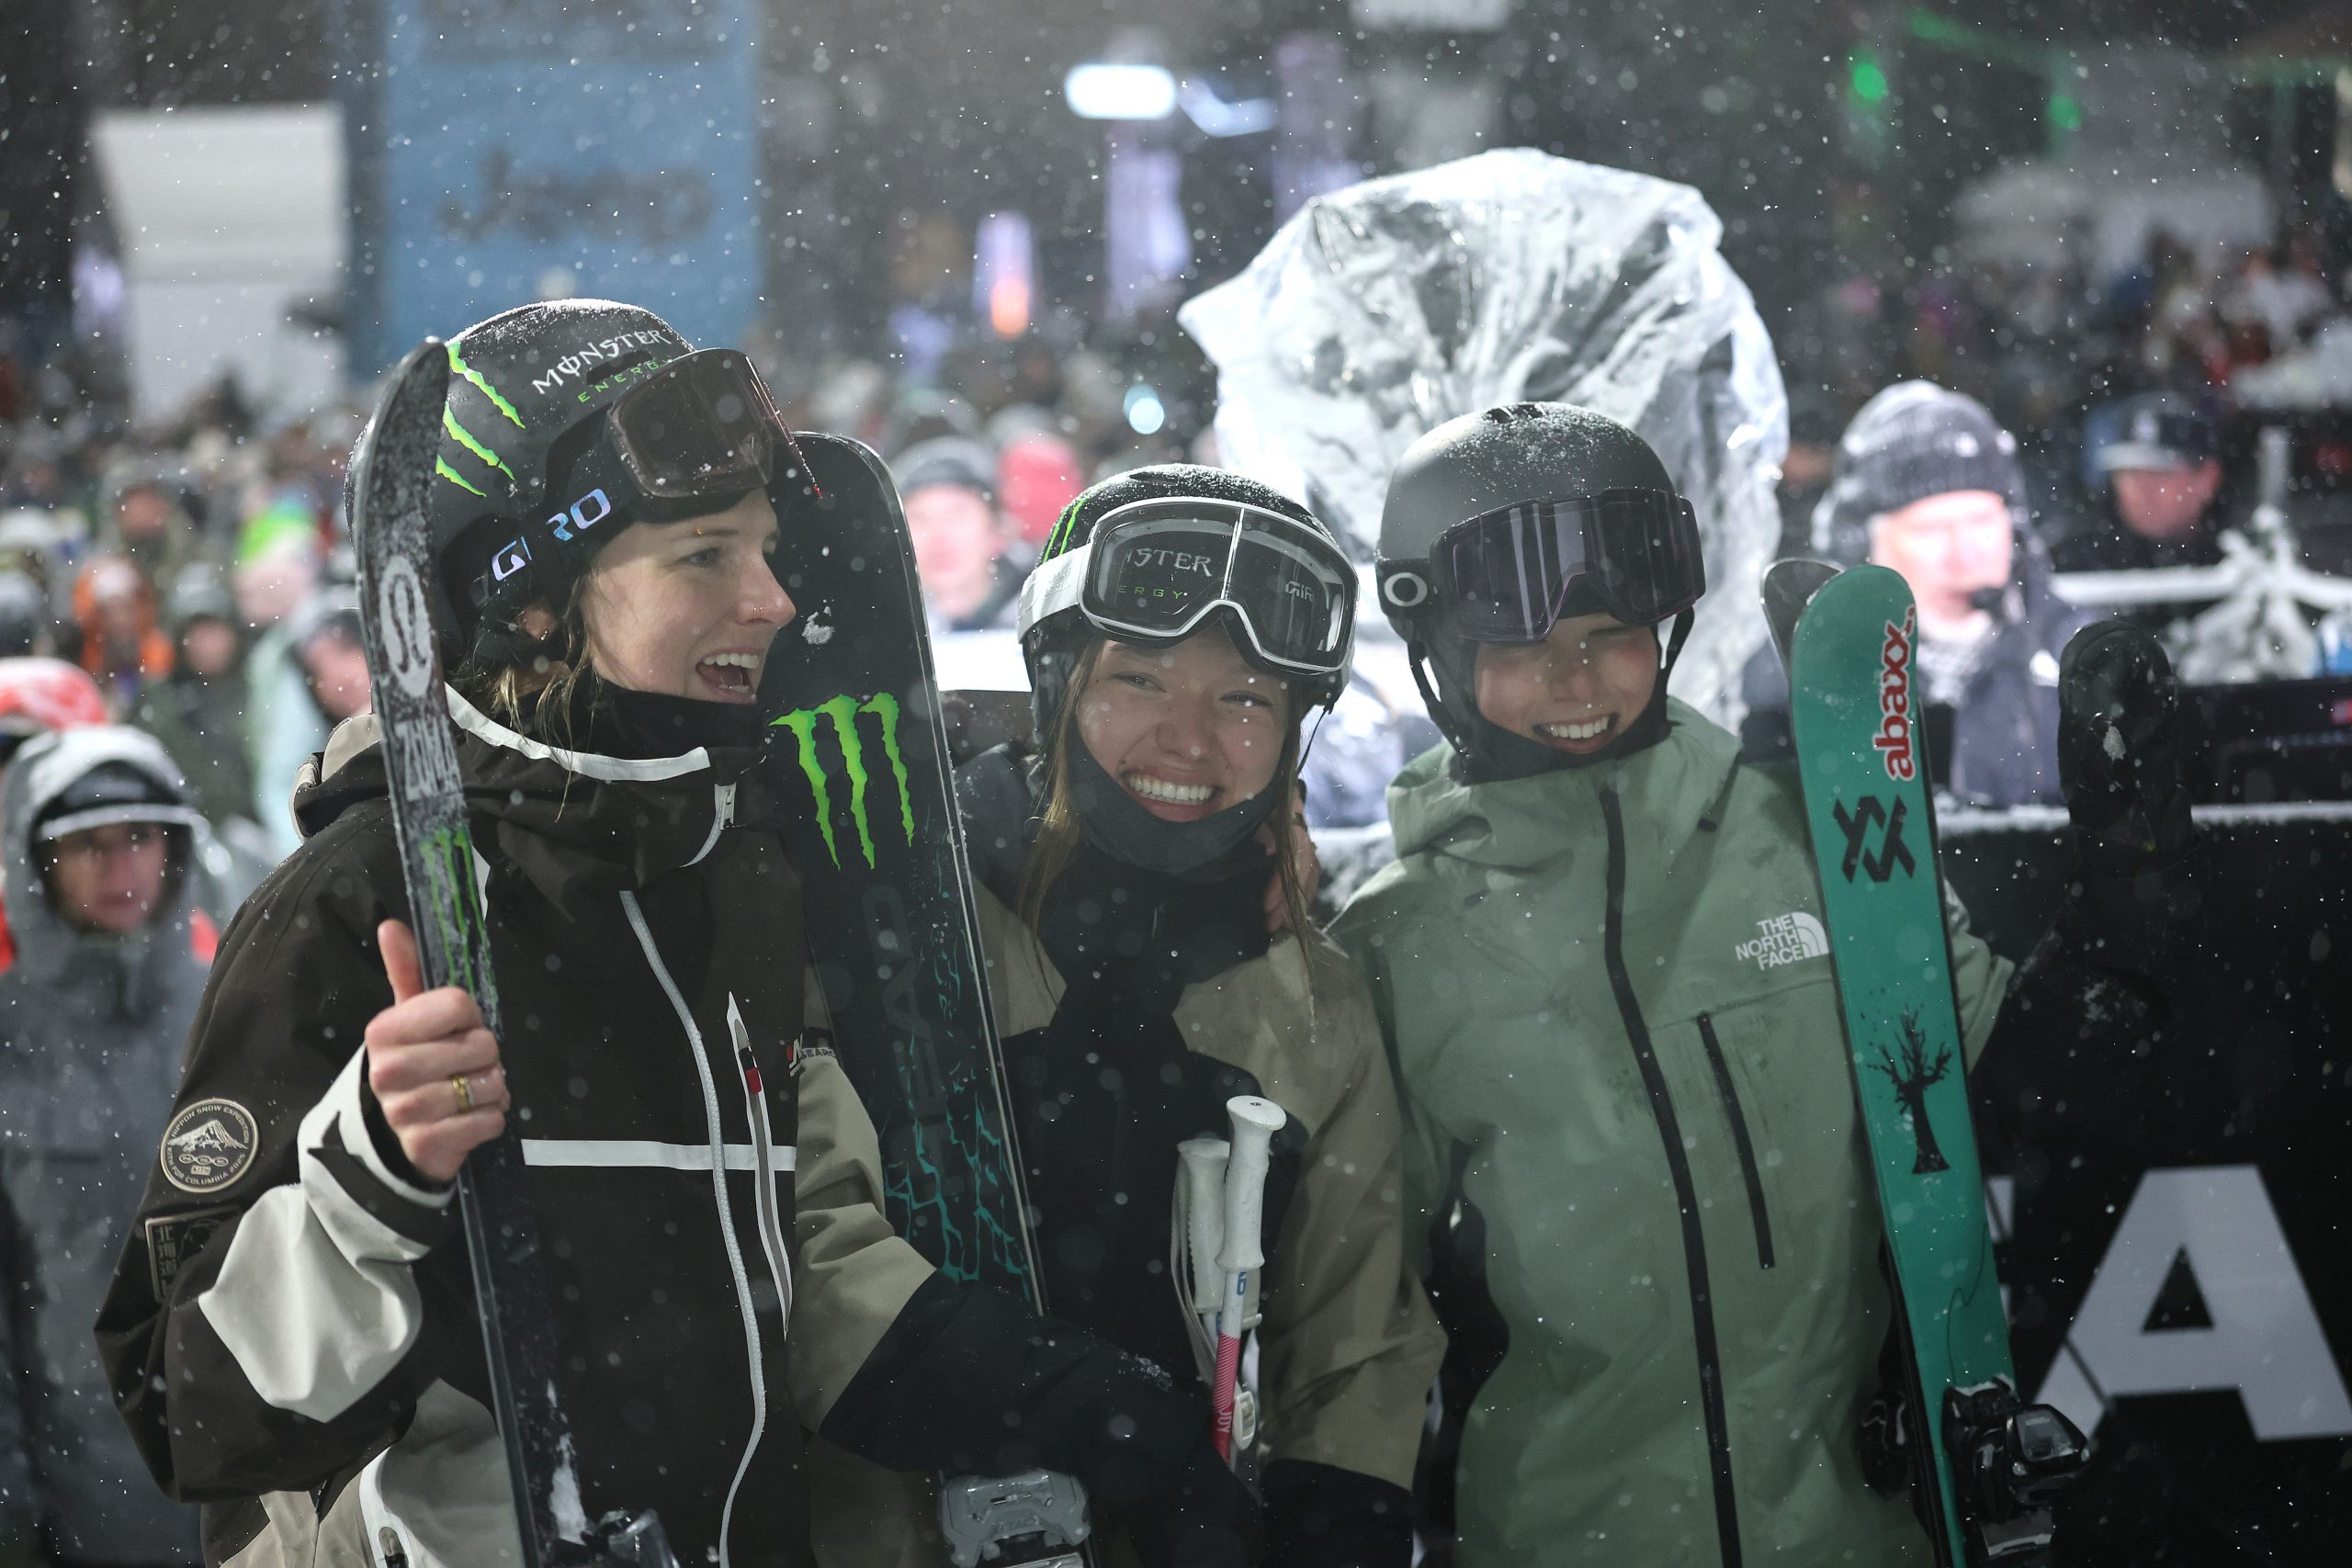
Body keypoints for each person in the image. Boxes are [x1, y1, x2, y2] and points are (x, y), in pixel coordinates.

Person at [95, 300, 1243, 1567]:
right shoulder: (361, 899)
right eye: (705, 555)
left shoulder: (725, 871)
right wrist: (369, 1175)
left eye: (764, 546)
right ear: (530, 596)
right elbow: (186, 1406)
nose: (771, 597)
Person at [1332, 403, 2016, 1565]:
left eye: (1610, 632)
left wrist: (2123, 919)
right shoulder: (1401, 943)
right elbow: (1360, 1285)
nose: (1575, 675)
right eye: (1518, 645)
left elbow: (1972, 1063)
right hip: (1569, 1531)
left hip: (1855, 1526)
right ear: (1439, 655)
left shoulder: (1803, 839)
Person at [808, 467, 1444, 1564]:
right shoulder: (893, 919)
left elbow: (1356, 1338)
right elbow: (804, 1247)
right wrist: (1083, 1411)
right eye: (1139, 681)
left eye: (1245, 700)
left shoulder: (1308, 1003)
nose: (1188, 742)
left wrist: (1338, 1518)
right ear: (1055, 683)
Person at [1, 726, 209, 1566]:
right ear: (35, 862)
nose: (119, 868)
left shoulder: (231, 1003)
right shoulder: (7, 1039)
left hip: (263, 1477)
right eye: (86, 845)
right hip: (87, 1491)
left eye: (139, 837)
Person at [1745, 381, 2089, 806]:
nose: (1964, 552)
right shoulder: (1791, 672)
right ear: (1865, 542)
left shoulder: (2083, 654)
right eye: (1931, 530)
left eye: (1981, 521)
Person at [130, 565, 255, 833]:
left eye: (215, 632)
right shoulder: (158, 702)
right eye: (197, 634)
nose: (208, 645)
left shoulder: (258, 690)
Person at [2049, 391, 2226, 575]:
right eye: (2130, 473)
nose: (2142, 489)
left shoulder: (2240, 561)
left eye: (2160, 473)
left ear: (2207, 479)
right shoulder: (2070, 561)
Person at [895, 436, 1023, 631]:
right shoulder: (884, 631)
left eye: (957, 514)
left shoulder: (1044, 625)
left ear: (997, 531)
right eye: (919, 518)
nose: (938, 534)